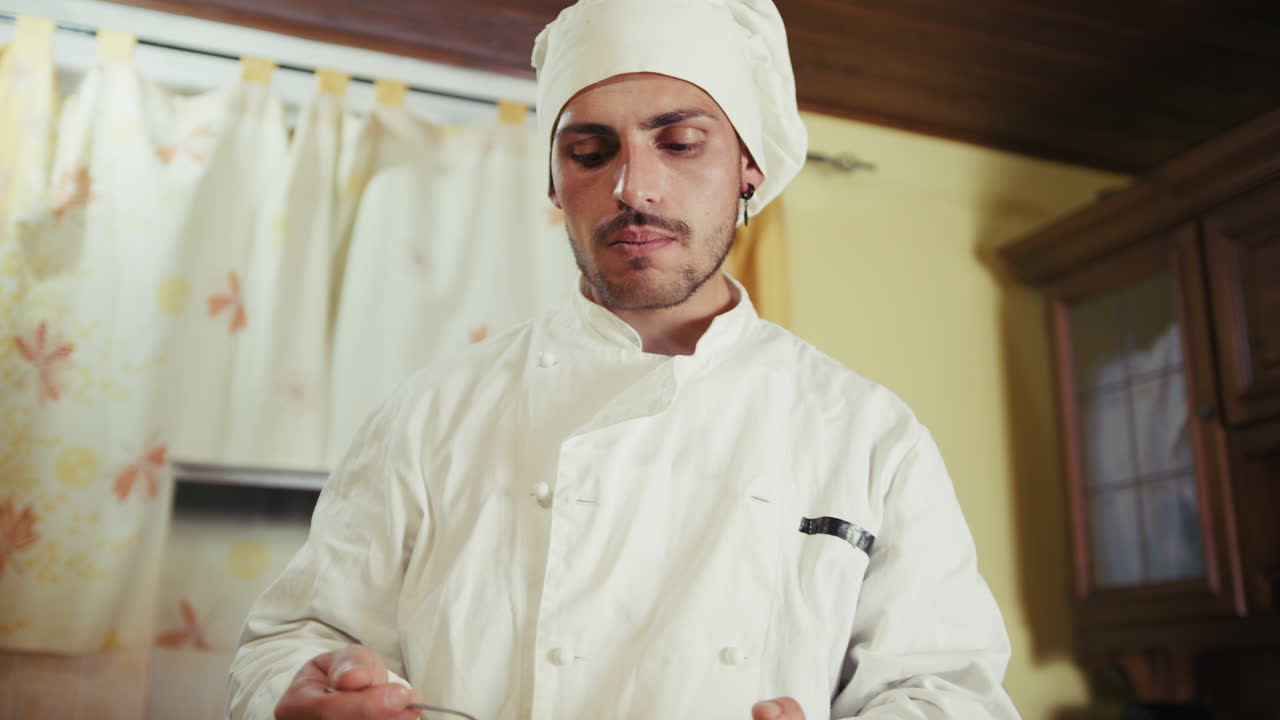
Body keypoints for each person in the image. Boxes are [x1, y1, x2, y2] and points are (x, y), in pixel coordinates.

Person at [228, 0, 1021, 718]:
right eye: (589, 151)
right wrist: (303, 693)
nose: (634, 188)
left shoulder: (868, 433)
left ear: (748, 167)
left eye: (679, 143)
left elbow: (949, 691)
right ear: (554, 182)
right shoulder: (433, 413)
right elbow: (295, 640)